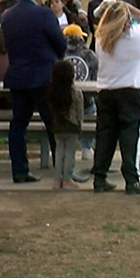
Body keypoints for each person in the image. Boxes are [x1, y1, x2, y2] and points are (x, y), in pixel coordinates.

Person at [0, 0, 67, 183]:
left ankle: (19, 169)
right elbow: (60, 43)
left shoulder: (7, 16)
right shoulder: (44, 14)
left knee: (18, 125)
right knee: (53, 124)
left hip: (18, 76)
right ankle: (62, 170)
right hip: (43, 76)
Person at [90, 0, 140, 194]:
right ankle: (132, 179)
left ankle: (99, 177)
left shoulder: (101, 38)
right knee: (132, 134)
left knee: (105, 134)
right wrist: (127, 5)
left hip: (106, 90)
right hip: (131, 89)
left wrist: (113, 8)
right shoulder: (135, 36)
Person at [47, 59, 87, 191]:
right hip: (72, 126)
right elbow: (80, 112)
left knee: (58, 153)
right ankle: (67, 179)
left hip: (58, 125)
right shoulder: (76, 93)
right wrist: (80, 126)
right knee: (70, 154)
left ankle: (57, 180)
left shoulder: (52, 93)